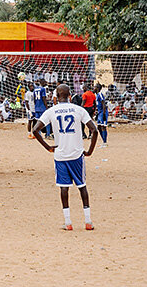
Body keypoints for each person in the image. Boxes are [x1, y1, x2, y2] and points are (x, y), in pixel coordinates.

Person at [31, 83, 99, 231]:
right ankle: (88, 221)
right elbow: (94, 130)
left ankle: (68, 222)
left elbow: (35, 129)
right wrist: (90, 151)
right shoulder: (78, 110)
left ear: (56, 97)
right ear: (69, 96)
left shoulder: (51, 111)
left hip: (60, 155)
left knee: (64, 188)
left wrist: (48, 147)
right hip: (76, 154)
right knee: (82, 186)